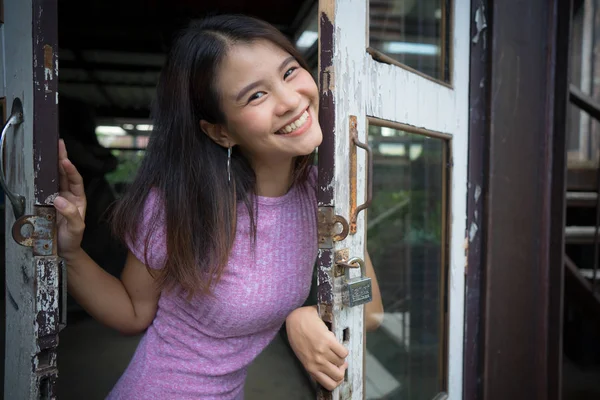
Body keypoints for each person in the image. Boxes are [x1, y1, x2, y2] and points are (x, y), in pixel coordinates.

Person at [54, 14, 383, 400]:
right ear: (220, 131)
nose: (291, 100)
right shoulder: (177, 207)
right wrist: (70, 252)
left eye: (290, 72)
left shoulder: (324, 195)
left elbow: (370, 306)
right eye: (256, 95)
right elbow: (133, 312)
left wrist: (310, 315)